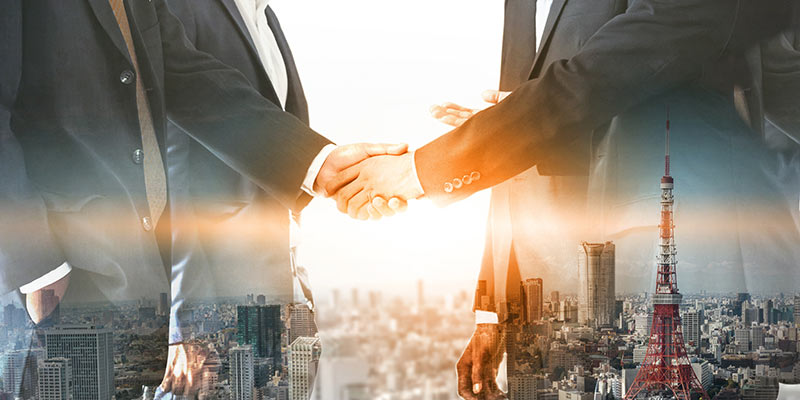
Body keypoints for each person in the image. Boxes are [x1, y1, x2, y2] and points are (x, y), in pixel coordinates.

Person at [326, 1, 800, 399]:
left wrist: (423, 170)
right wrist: (493, 311)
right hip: (557, 306)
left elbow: (613, 73)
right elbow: (517, 148)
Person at [0, 0, 405, 397]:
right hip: (52, 284)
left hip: (128, 278)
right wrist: (39, 267)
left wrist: (319, 165)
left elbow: (182, 74)